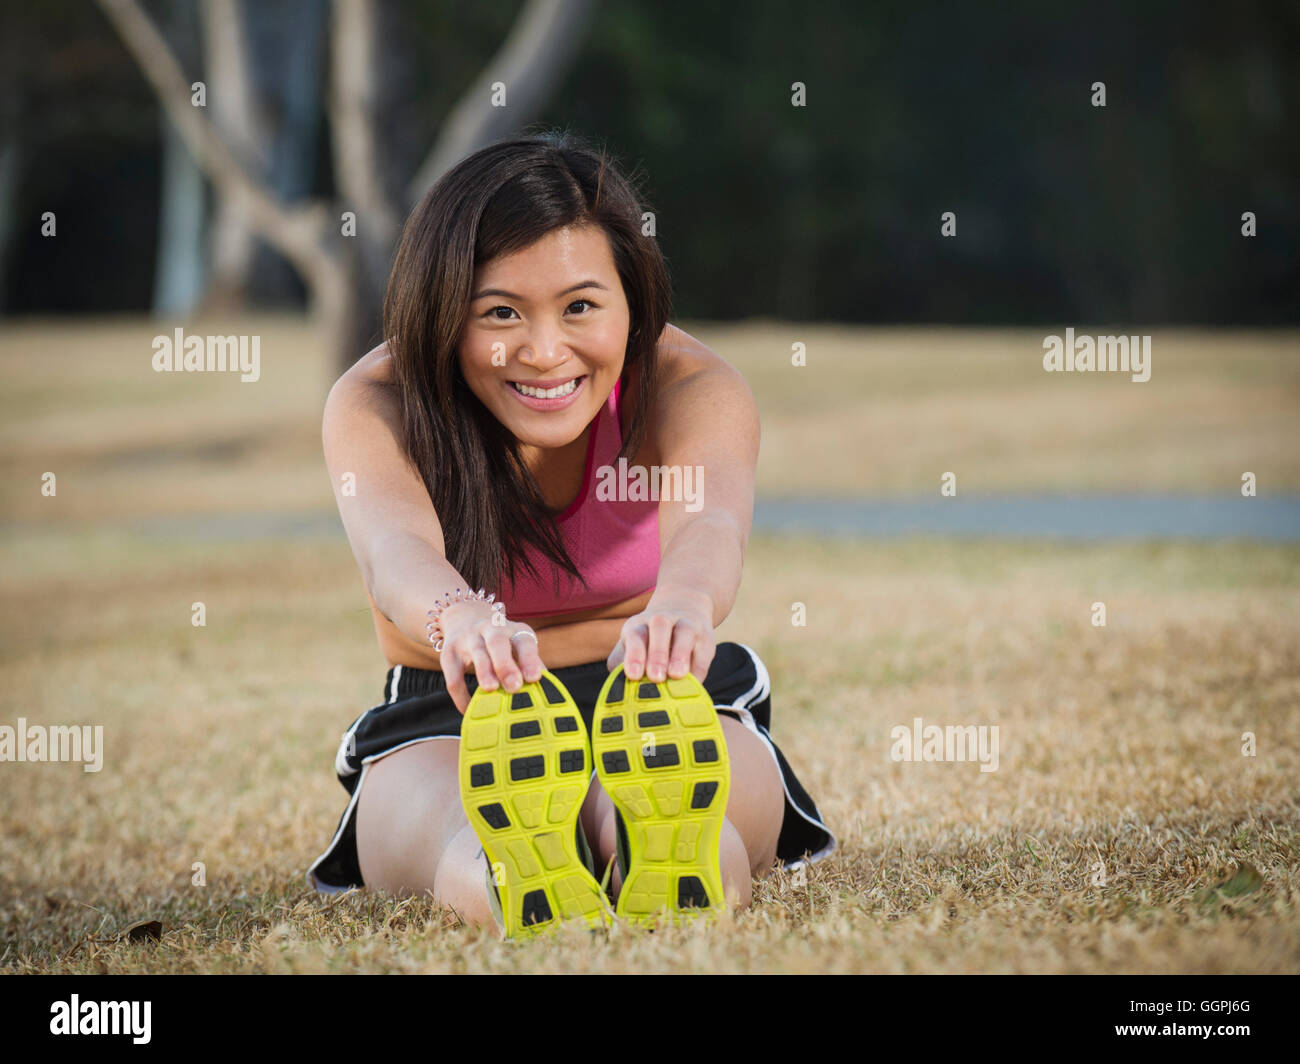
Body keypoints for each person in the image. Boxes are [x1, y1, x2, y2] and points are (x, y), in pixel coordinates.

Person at [308, 130, 834, 930]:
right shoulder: (378, 403)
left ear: (635, 300)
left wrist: (684, 604)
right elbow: (396, 550)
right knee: (466, 830)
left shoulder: (689, 385)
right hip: (464, 714)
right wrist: (462, 621)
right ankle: (515, 869)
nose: (544, 352)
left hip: (659, 696)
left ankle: (663, 853)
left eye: (580, 306)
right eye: (500, 314)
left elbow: (712, 522)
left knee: (682, 805)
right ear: (442, 309)